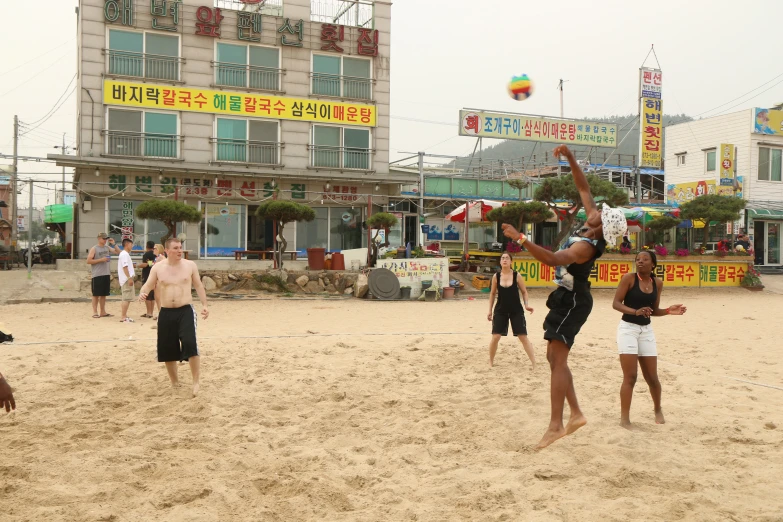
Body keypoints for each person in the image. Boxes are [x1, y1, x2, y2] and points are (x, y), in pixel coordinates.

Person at [501, 144, 628, 450]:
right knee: (553, 358)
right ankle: (576, 414)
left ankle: (556, 424)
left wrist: (520, 238)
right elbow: (583, 187)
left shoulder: (586, 247)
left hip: (574, 301)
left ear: (601, 229)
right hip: (568, 297)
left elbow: (552, 260)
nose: (596, 211)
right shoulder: (593, 225)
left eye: (601, 215)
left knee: (558, 360)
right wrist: (571, 158)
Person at [613, 251, 686, 428]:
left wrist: (669, 311)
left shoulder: (657, 283)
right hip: (628, 329)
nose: (640, 262)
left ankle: (657, 409)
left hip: (646, 331)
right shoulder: (629, 278)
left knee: (652, 377)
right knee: (630, 377)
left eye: (645, 260)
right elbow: (616, 303)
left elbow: (654, 310)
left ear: (653, 264)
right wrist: (634, 311)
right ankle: (625, 418)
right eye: (638, 259)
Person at [139, 238, 209, 397]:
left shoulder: (190, 266)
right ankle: (174, 382)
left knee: (190, 343)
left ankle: (195, 382)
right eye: (176, 248)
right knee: (167, 347)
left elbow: (198, 285)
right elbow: (149, 284)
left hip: (185, 310)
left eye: (180, 248)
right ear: (167, 251)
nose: (179, 250)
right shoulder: (158, 268)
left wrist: (205, 305)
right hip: (166, 311)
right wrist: (142, 292)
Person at [487, 252, 535, 368]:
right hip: (500, 309)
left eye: (507, 258)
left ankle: (534, 363)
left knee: (523, 336)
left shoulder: (517, 275)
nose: (504, 260)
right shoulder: (496, 276)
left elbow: (524, 292)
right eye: (502, 258)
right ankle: (491, 361)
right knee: (496, 336)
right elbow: (492, 293)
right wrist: (490, 310)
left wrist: (526, 305)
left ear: (511, 262)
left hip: (516, 310)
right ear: (500, 262)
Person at [86, 232, 120, 319]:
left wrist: (114, 244)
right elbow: (88, 261)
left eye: (106, 239)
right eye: (103, 238)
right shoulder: (94, 248)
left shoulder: (107, 247)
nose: (105, 240)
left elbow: (118, 252)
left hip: (106, 273)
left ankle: (103, 311)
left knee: (103, 294)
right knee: (96, 294)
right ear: (99, 238)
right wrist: (101, 259)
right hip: (97, 274)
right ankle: (95, 312)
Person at [117, 238, 136, 323]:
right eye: (131, 244)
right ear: (127, 244)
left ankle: (124, 316)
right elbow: (125, 267)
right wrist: (129, 278)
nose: (132, 246)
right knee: (126, 298)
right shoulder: (124, 254)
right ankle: (123, 316)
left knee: (127, 298)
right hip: (126, 279)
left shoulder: (124, 254)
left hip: (126, 278)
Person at [138, 241, 157, 319]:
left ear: (147, 246)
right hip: (155, 276)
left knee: (147, 295)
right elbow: (153, 263)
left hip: (147, 275)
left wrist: (139, 265)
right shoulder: (156, 254)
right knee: (152, 295)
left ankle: (149, 313)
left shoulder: (147, 255)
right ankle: (151, 312)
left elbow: (148, 264)